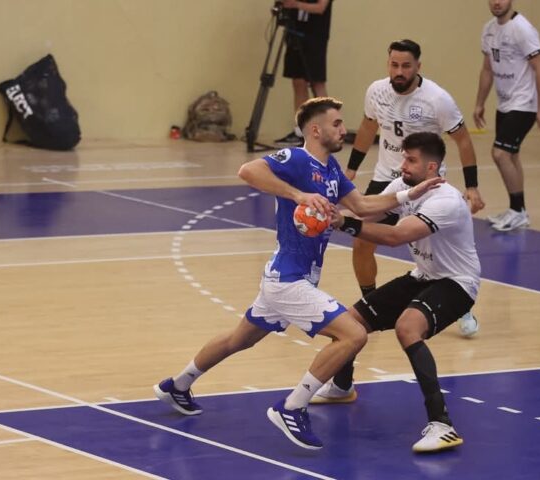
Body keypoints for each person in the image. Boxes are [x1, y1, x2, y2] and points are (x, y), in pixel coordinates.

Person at [153, 97, 442, 450]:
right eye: (337, 123)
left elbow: (363, 206)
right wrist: (298, 195)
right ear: (316, 130)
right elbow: (248, 171)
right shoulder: (296, 159)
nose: (343, 129)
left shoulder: (331, 168)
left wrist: (410, 192)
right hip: (289, 281)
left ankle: (177, 385)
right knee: (353, 335)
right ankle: (292, 407)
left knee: (239, 339)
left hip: (287, 276)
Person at [316, 132, 481, 453]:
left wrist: (343, 224)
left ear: (431, 167)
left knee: (408, 327)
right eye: (404, 157)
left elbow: (395, 236)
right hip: (423, 275)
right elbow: (366, 213)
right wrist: (323, 204)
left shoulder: (445, 201)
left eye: (411, 160)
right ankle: (342, 386)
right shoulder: (403, 186)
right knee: (350, 322)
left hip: (457, 282)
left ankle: (443, 425)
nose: (403, 164)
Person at [345, 39, 485, 298]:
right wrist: (352, 168)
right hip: (386, 178)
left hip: (425, 184)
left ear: (418, 66)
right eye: (394, 65)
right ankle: (370, 302)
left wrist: (472, 186)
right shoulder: (376, 91)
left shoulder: (437, 99)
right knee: (362, 241)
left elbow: (463, 140)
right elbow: (367, 127)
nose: (399, 71)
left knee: (435, 251)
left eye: (406, 66)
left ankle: (459, 301)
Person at [474, 0, 540, 231]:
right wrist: (480, 103)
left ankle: (518, 211)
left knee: (500, 154)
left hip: (524, 103)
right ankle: (518, 210)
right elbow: (487, 69)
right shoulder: (489, 29)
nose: (497, 2)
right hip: (504, 103)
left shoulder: (522, 28)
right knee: (512, 156)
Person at [275, 0, 333, 146]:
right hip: (295, 33)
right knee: (298, 81)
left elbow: (320, 7)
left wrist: (295, 4)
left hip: (315, 37)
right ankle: (300, 131)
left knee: (317, 81)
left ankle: (328, 129)